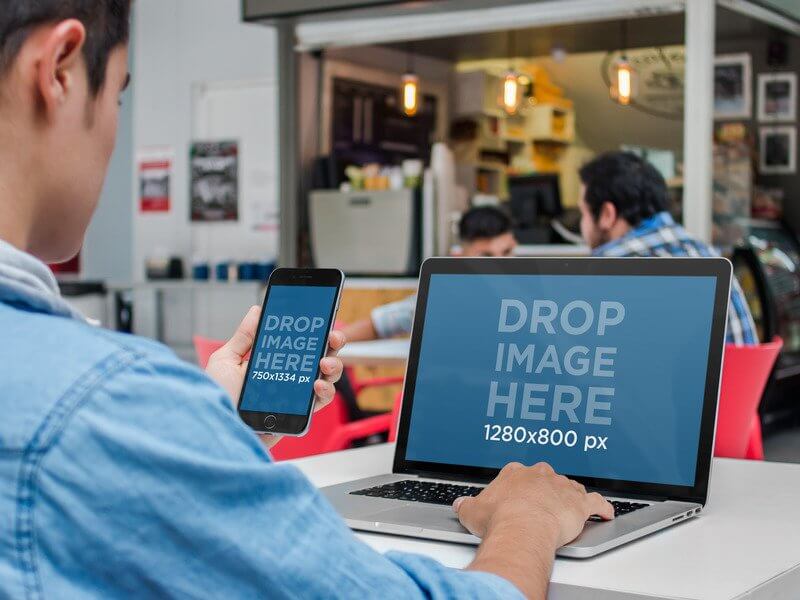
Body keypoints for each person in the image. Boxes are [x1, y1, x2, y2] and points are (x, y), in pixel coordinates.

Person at [0, 3, 613, 598]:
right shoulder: (100, 405)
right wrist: (528, 516)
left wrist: (210, 430)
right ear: (58, 70)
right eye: (117, 98)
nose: (113, 131)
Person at [578, 151, 758, 345]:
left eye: (583, 213)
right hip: (737, 376)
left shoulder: (605, 269)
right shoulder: (707, 254)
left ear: (607, 214)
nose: (581, 224)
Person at [343, 205, 518, 342]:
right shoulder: (441, 298)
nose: (500, 265)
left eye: (507, 252)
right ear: (459, 257)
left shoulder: (534, 297)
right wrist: (328, 344)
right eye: (486, 256)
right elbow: (379, 324)